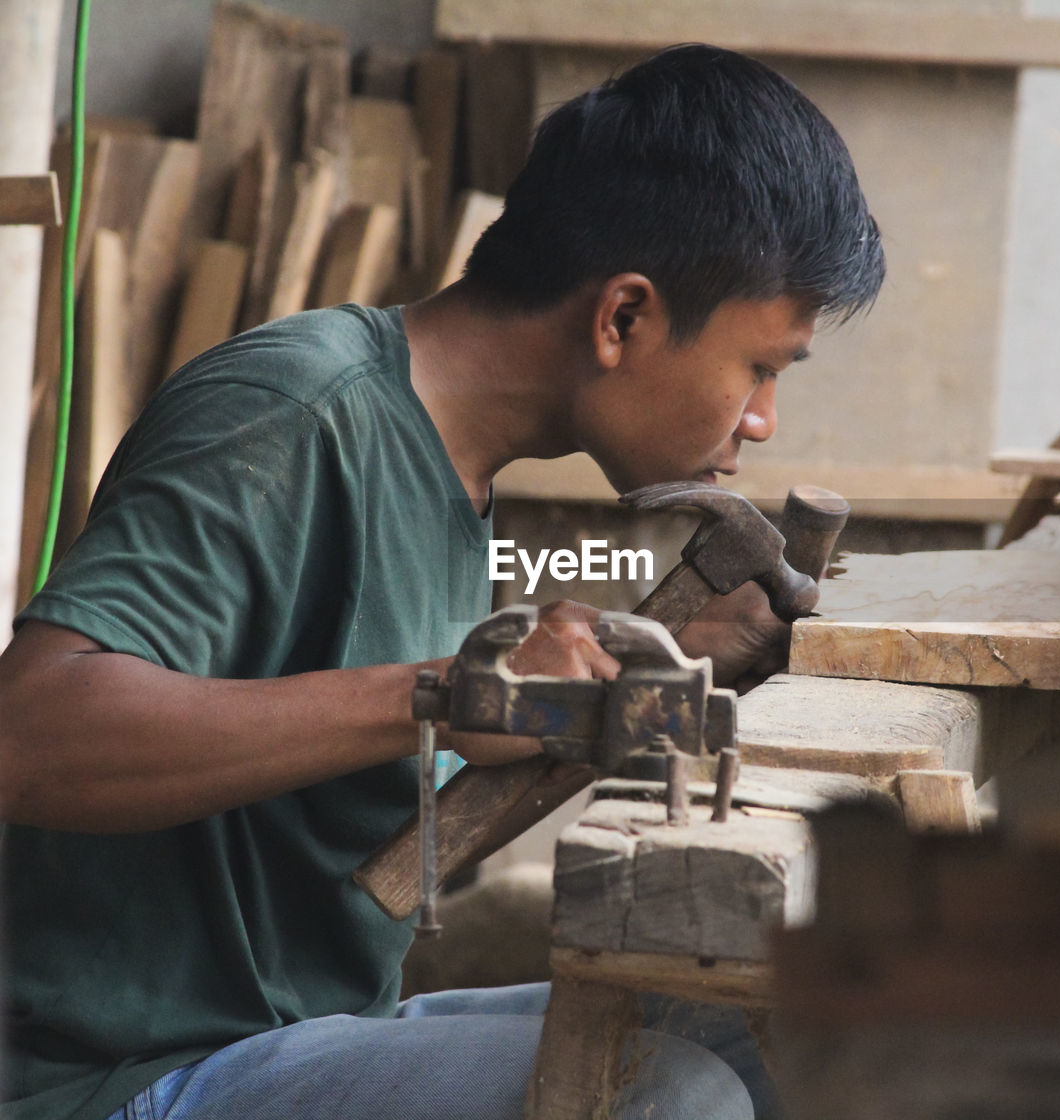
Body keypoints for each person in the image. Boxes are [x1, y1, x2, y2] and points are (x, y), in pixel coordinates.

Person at [0, 43, 884, 1120]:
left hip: (315, 1032)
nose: (762, 420)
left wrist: (680, 660)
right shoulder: (298, 412)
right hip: (124, 1075)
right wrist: (443, 690)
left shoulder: (455, 468)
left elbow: (374, 829)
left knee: (792, 1030)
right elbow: (32, 738)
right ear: (621, 318)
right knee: (665, 1095)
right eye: (761, 366)